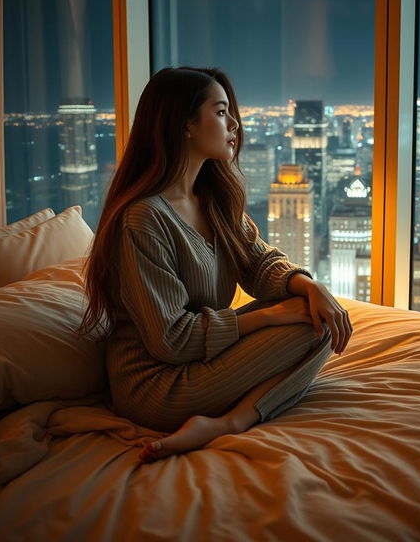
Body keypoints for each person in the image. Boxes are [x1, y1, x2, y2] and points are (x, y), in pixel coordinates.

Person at [78, 66, 353, 464]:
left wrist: (310, 287)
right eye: (221, 112)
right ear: (185, 124)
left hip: (202, 361)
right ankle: (231, 422)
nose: (235, 123)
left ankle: (230, 422)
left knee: (318, 315)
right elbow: (171, 340)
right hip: (156, 385)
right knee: (311, 327)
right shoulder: (144, 219)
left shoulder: (212, 198)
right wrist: (269, 317)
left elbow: (260, 264)